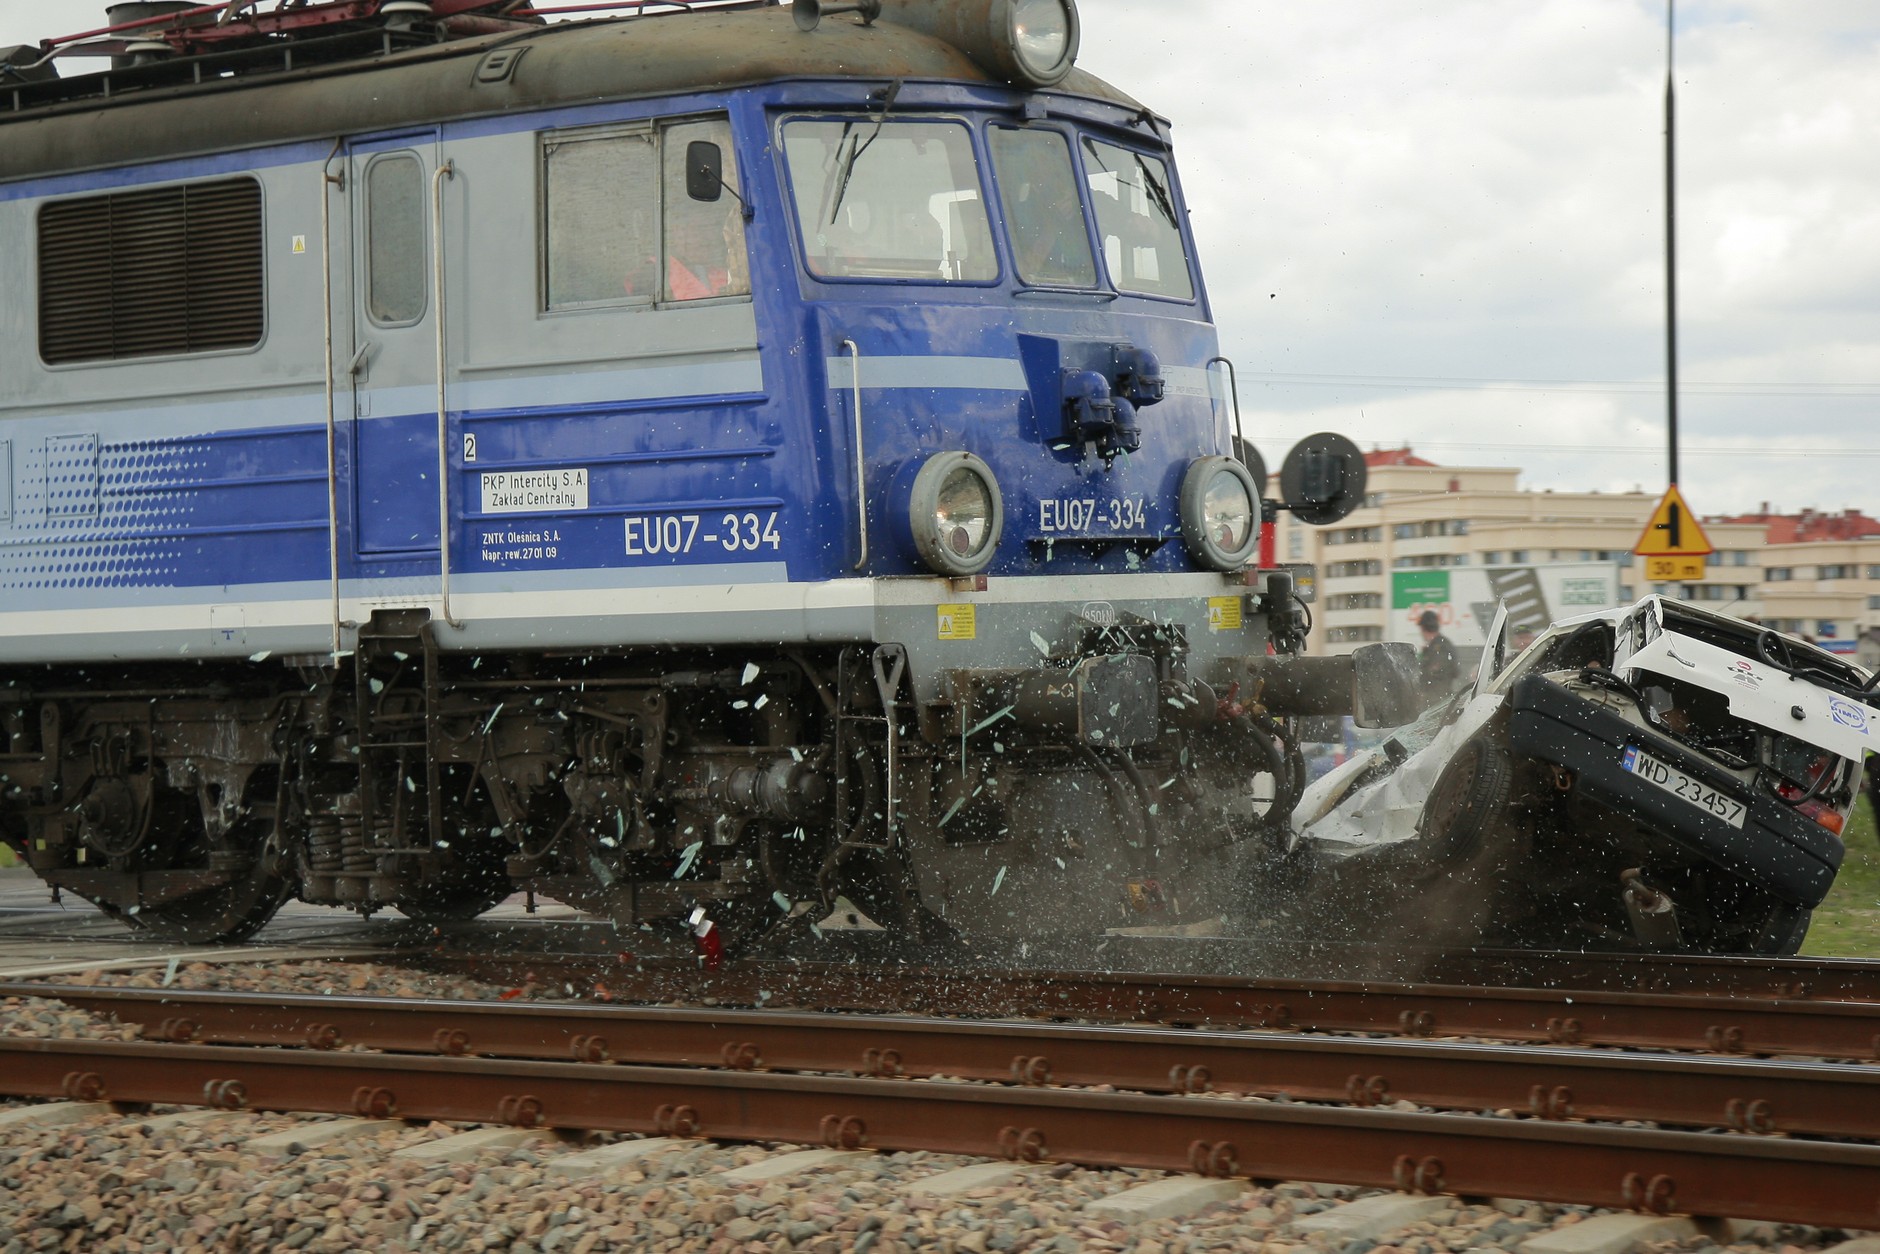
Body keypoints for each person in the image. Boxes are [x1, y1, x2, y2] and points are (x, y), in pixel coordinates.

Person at [1417, 609, 1462, 698]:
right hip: (1438, 697)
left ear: (1424, 628)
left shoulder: (1440, 647)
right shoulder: (1437, 645)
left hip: (1437, 699)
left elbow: (1434, 672)